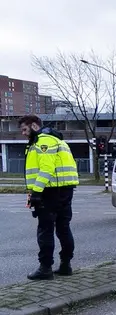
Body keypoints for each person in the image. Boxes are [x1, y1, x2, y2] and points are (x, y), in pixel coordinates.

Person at [19, 115, 79, 280]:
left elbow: (46, 168)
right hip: (64, 191)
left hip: (50, 191)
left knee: (45, 230)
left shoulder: (43, 141)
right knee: (63, 228)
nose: (23, 133)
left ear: (34, 126)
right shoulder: (58, 141)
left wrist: (36, 192)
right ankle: (66, 265)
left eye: (25, 129)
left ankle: (45, 268)